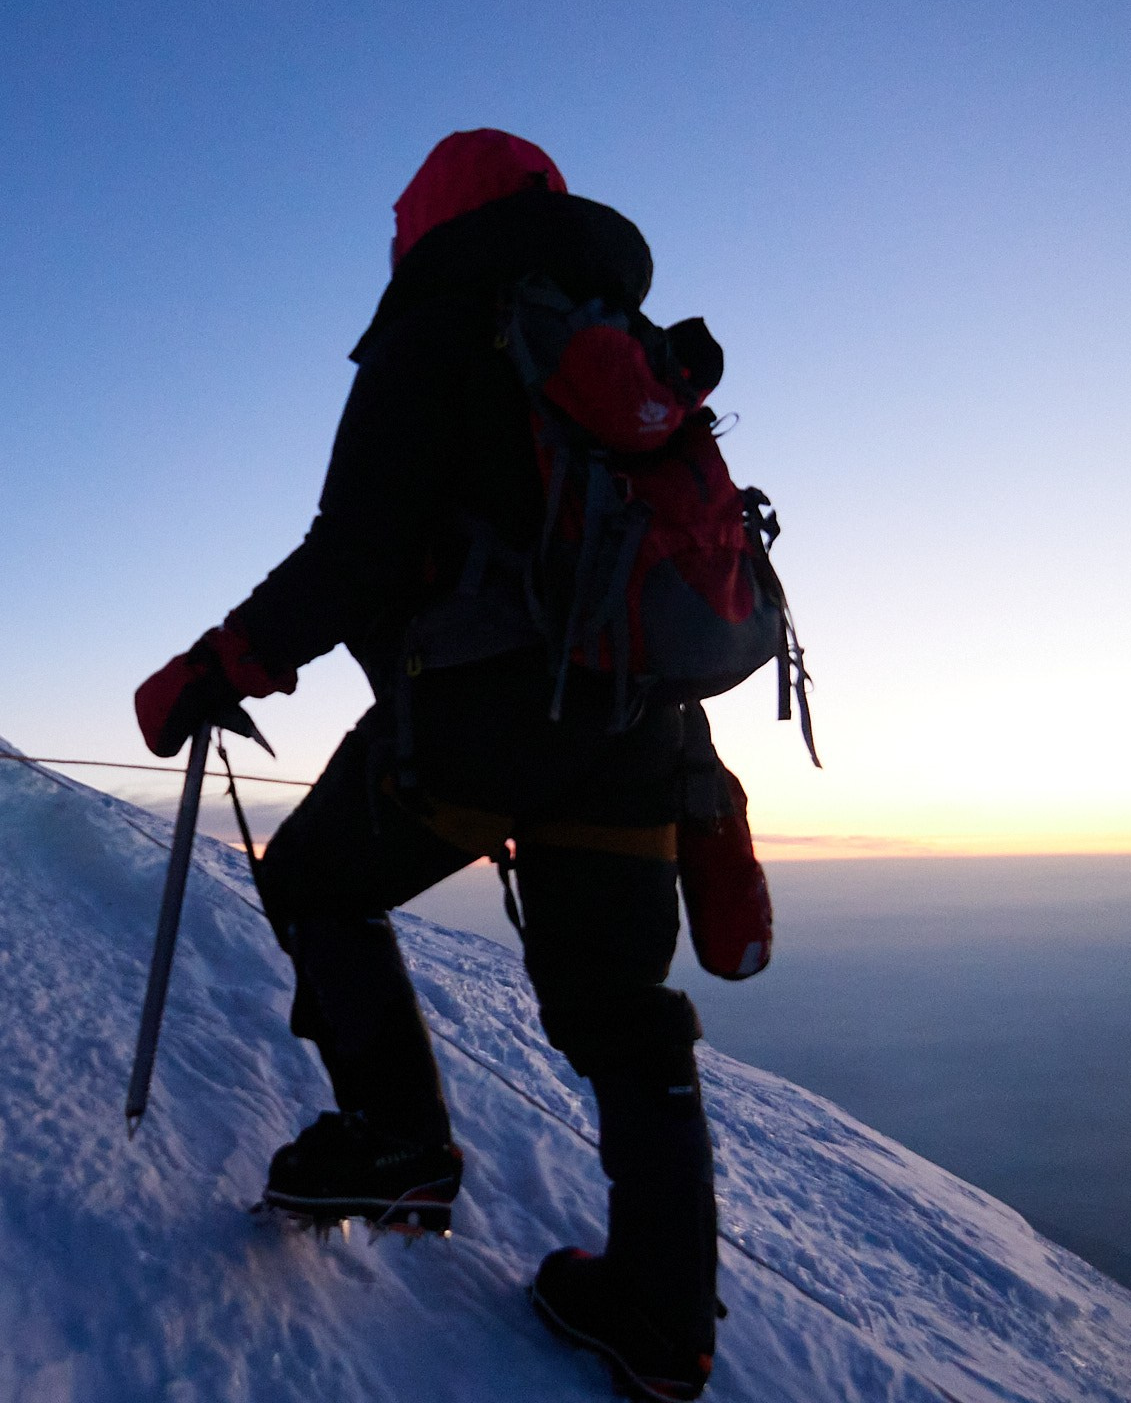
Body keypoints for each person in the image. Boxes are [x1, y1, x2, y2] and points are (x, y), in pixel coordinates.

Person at [134, 131, 723, 1399]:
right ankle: (660, 1318)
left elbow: (351, 554)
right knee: (622, 1020)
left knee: (313, 880)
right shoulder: (615, 355)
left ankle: (394, 1138)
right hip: (639, 731)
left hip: (479, 717)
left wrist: (208, 670)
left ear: (426, 224)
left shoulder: (439, 333)